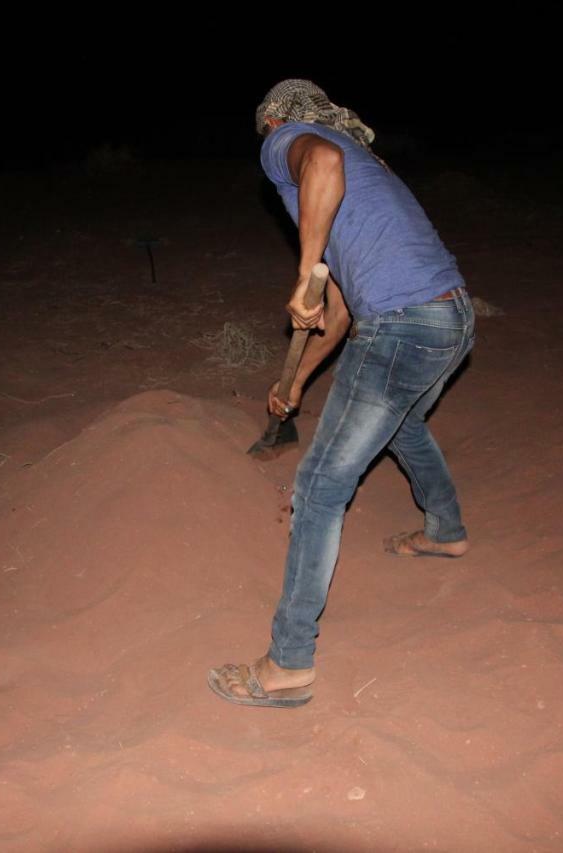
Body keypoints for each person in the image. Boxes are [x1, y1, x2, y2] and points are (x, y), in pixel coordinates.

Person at [208, 80, 477, 708]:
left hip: (407, 322)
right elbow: (341, 309)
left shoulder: (288, 146)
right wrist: (297, 381)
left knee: (321, 486)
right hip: (451, 317)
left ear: (276, 118)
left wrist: (303, 269)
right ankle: (445, 529)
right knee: (403, 424)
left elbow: (319, 166)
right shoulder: (361, 172)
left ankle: (287, 666)